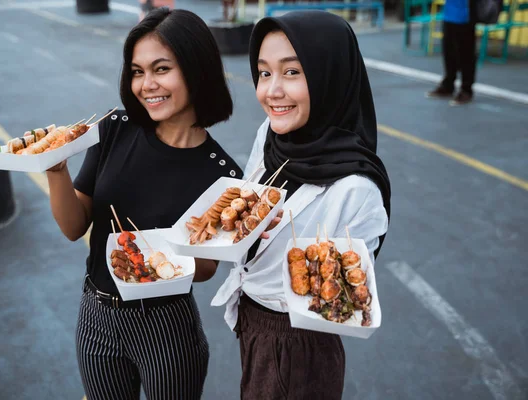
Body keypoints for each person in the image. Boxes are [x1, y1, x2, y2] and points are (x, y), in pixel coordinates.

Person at [46, 9, 242, 400]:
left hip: (166, 326)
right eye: (137, 71)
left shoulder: (224, 178)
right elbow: (73, 227)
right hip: (96, 314)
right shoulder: (114, 128)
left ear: (196, 69)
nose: (146, 84)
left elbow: (204, 270)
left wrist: (153, 249)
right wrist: (55, 172)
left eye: (161, 68)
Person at [211, 11, 391, 399]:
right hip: (251, 321)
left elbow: (343, 290)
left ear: (330, 76)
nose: (271, 90)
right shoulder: (272, 136)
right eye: (264, 72)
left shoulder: (357, 187)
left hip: (300, 346)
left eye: (292, 72)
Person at [427, 0, 477, 105]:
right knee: (449, 51)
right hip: (449, 12)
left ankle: (466, 89)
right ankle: (448, 85)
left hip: (466, 12)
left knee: (466, 53)